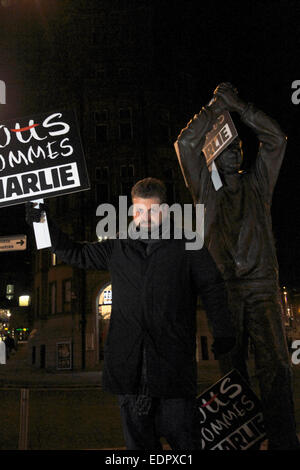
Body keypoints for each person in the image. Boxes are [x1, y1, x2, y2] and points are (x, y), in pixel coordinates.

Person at [26, 177, 235, 450]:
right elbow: (74, 253)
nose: (145, 217)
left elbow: (213, 288)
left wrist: (223, 331)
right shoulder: (118, 247)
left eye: (152, 211)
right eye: (138, 211)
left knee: (186, 445)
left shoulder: (188, 244)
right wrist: (40, 220)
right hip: (130, 374)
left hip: (173, 373)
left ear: (165, 211)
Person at [175, 82, 299, 450]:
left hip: (261, 285)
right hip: (226, 288)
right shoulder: (206, 191)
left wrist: (239, 107)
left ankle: (283, 439)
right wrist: (213, 109)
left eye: (239, 149)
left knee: (276, 366)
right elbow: (184, 146)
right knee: (232, 372)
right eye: (228, 149)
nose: (236, 155)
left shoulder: (258, 184)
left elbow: (276, 139)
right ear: (214, 154)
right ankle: (239, 441)